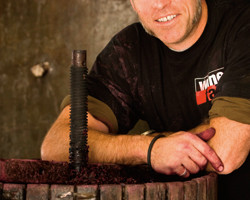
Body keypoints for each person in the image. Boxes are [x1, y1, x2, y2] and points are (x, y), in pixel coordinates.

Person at [41, 0, 250, 199]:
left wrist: (156, 141)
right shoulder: (129, 50)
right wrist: (151, 149)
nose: (159, 4)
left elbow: (225, 153)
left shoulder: (242, 24)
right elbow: (56, 146)